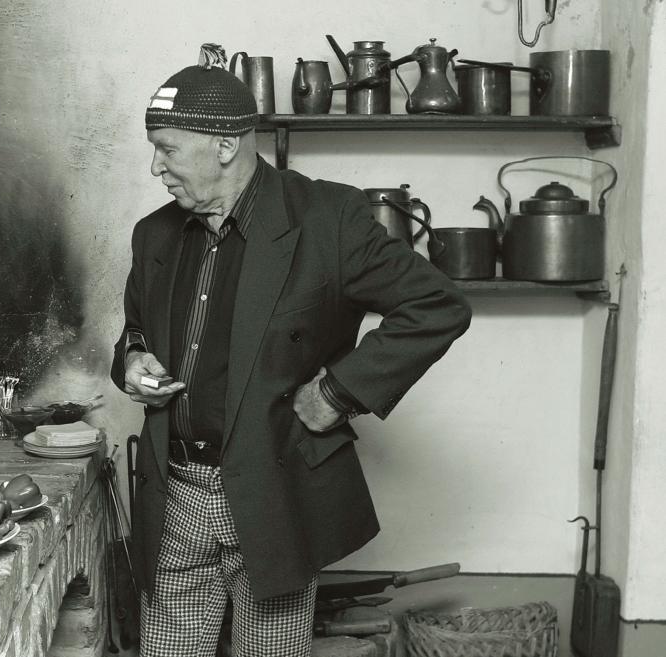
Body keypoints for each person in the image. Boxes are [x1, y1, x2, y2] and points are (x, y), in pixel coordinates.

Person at [110, 63, 472, 657]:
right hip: (175, 496)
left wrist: (337, 393)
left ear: (225, 144)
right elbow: (135, 329)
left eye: (167, 149)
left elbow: (436, 306)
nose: (156, 167)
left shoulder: (329, 220)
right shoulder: (154, 234)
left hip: (272, 491)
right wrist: (132, 360)